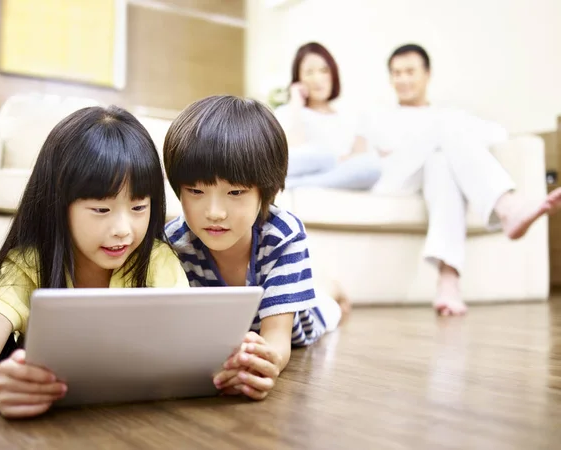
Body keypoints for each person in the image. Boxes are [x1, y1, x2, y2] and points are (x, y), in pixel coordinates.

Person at [0, 106, 189, 418]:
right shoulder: (30, 265)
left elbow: (188, 347)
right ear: (59, 205)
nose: (123, 229)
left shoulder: (157, 260)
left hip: (141, 417)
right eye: (101, 210)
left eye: (138, 208)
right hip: (53, 421)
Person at [163, 95, 347, 401]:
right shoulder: (174, 243)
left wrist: (261, 365)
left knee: (328, 305)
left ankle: (333, 289)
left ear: (265, 191)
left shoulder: (282, 234)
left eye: (235, 192)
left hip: (298, 324)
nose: (214, 212)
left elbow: (277, 339)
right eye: (195, 191)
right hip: (233, 339)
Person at [357, 43, 561, 316]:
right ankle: (507, 205)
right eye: (396, 73)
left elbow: (498, 133)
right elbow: (358, 159)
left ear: (427, 74)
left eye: (409, 71)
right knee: (445, 127)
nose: (402, 79)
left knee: (440, 162)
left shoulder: (447, 117)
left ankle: (448, 280)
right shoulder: (378, 117)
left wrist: (452, 141)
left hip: (431, 175)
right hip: (392, 180)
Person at [274, 42, 381, 190]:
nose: (317, 79)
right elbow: (292, 156)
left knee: (371, 165)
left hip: (336, 178)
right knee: (318, 156)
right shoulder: (287, 112)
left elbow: (360, 160)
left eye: (324, 70)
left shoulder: (351, 117)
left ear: (333, 74)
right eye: (309, 72)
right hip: (301, 170)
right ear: (298, 78)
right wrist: (296, 105)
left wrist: (332, 161)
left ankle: (301, 185)